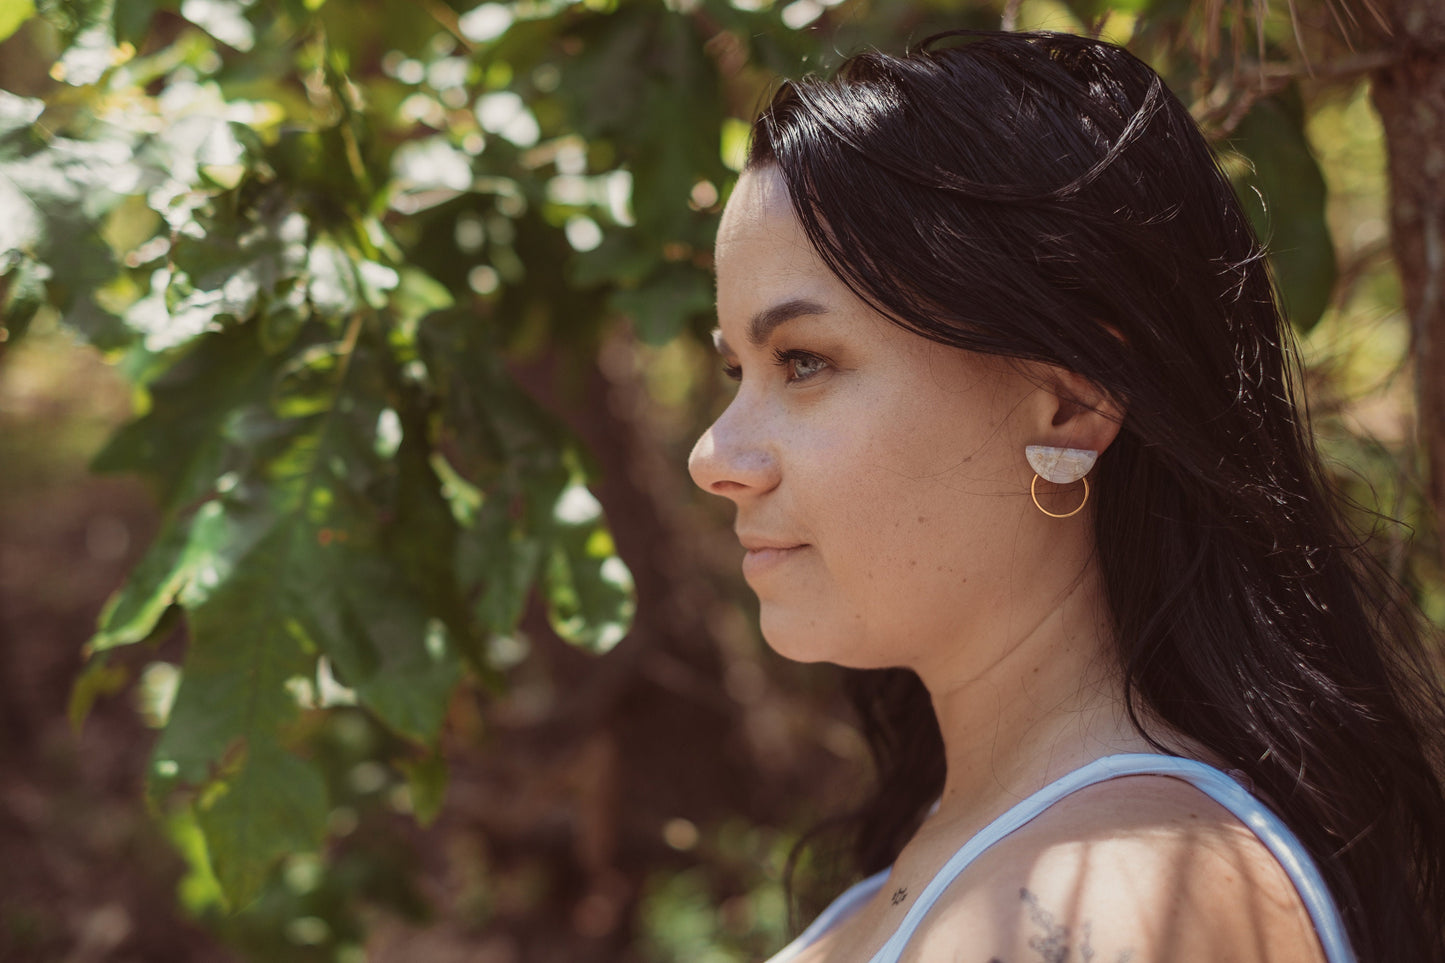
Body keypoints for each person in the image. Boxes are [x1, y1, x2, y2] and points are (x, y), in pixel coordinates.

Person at [687, 30, 1445, 963]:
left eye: (802, 361)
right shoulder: (996, 846)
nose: (712, 453)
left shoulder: (1115, 897)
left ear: (1069, 401)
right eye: (733, 367)